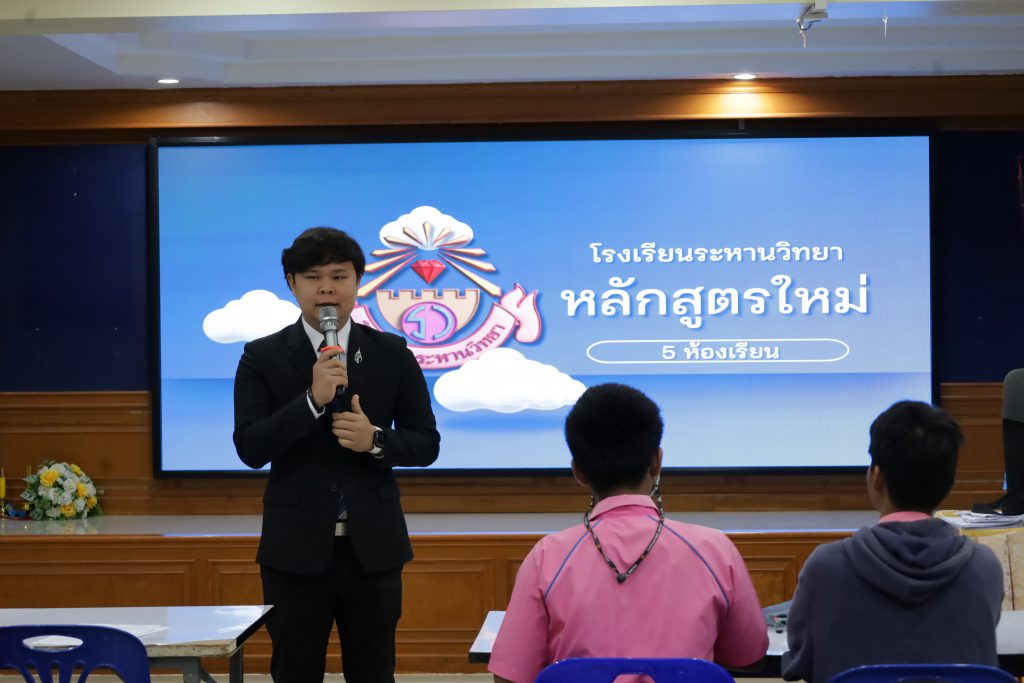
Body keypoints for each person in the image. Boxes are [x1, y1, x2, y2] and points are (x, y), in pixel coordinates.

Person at [233, 227, 440, 683]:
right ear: (292, 284)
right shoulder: (262, 357)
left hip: (374, 550)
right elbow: (250, 446)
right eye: (313, 277)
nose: (326, 288)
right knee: (295, 671)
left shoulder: (391, 352)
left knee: (373, 674)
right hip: (294, 551)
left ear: (358, 281)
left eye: (339, 276)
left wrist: (375, 440)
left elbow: (426, 443)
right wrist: (311, 400)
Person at [488, 383, 768, 683]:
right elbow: (747, 656)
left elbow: (510, 677)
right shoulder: (715, 549)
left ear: (578, 472)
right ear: (657, 462)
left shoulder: (547, 556)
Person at [782, 400, 1004, 683]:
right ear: (949, 483)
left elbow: (801, 657)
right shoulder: (985, 567)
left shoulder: (825, 567)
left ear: (876, 477)